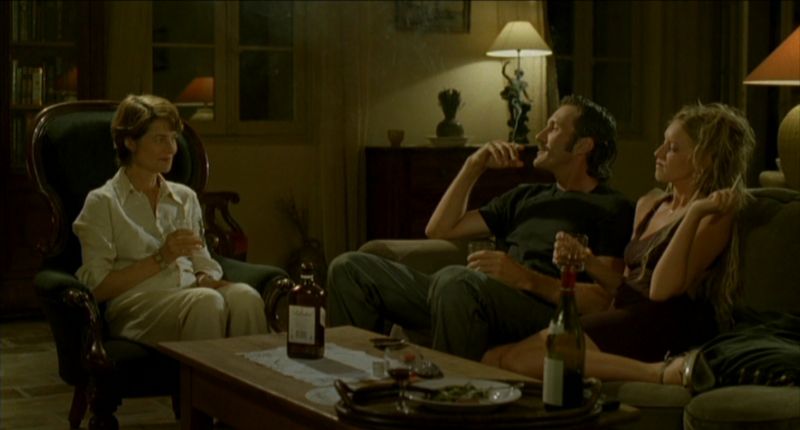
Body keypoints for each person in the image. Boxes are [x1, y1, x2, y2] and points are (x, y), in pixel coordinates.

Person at [328, 95, 634, 361]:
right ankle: (355, 382)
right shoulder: (525, 196)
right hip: (469, 295)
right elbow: (440, 229)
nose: (540, 135)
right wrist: (473, 165)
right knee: (350, 269)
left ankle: (452, 396)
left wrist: (524, 278)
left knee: (456, 280)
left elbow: (602, 300)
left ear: (583, 145)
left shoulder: (612, 207)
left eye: (553, 128)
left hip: (539, 311)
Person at [482, 102, 756, 389]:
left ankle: (658, 373)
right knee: (492, 358)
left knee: (520, 360)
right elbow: (625, 286)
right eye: (663, 143)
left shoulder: (714, 215)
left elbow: (661, 290)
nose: (658, 153)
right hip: (631, 312)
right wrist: (587, 261)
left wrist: (694, 213)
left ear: (705, 160)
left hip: (670, 322)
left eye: (672, 148)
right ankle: (650, 373)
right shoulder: (650, 204)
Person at [73, 94, 267, 345]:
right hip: (136, 306)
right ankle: (200, 373)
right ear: (130, 142)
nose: (172, 149)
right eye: (160, 139)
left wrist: (206, 278)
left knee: (246, 297)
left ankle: (246, 372)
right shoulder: (103, 202)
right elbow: (97, 287)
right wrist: (162, 257)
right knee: (205, 302)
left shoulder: (184, 197)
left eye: (173, 138)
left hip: (190, 293)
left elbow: (201, 259)